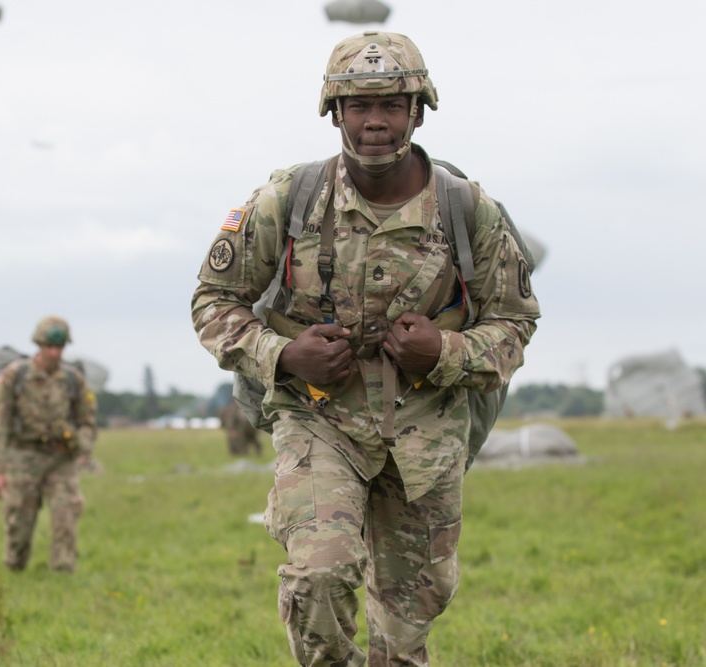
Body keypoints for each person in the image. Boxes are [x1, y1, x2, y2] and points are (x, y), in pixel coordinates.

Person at [191, 31, 540, 666]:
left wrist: (445, 352)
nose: (374, 121)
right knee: (319, 576)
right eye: (358, 105)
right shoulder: (287, 202)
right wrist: (283, 356)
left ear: (419, 110)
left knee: (405, 636)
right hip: (319, 422)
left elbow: (514, 325)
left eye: (391, 105)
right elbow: (213, 302)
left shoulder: (469, 211)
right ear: (335, 112)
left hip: (425, 442)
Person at [0, 315, 97, 573]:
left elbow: (88, 421)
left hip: (60, 459)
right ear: (38, 344)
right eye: (49, 346)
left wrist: (81, 446)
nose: (54, 352)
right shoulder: (15, 376)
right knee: (19, 520)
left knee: (66, 516)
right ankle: (15, 567)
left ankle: (63, 573)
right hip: (23, 456)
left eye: (59, 347)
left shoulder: (73, 380)